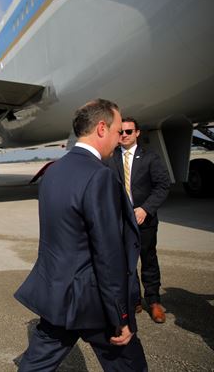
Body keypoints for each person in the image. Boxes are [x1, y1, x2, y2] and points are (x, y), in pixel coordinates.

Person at [14, 99, 147, 371]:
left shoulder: (53, 171)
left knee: (36, 365)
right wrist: (121, 315)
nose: (120, 138)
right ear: (101, 128)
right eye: (117, 130)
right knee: (130, 366)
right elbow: (108, 253)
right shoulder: (99, 176)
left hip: (57, 293)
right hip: (92, 300)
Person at [106, 117, 171, 323]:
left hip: (145, 220)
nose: (124, 135)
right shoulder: (109, 159)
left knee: (148, 259)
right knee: (126, 263)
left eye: (128, 131)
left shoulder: (150, 158)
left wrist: (146, 208)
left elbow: (162, 186)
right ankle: (133, 299)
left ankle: (154, 301)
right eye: (121, 132)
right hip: (120, 221)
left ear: (137, 133)